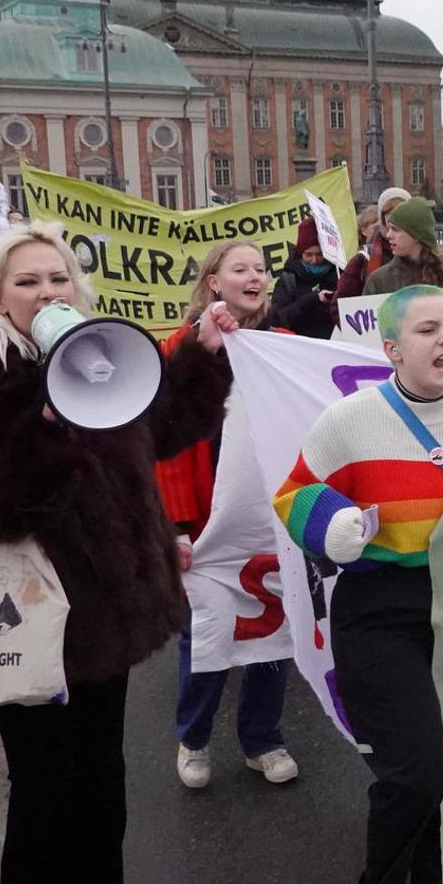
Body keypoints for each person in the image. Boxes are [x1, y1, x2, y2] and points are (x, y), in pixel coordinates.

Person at [0, 223, 236, 884]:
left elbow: (164, 428)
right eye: (28, 282)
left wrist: (198, 357)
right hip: (22, 621)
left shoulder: (101, 353)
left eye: (58, 279)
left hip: (108, 613)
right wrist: (51, 421)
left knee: (101, 780)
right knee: (40, 786)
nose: (48, 293)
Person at [273, 285, 443, 884]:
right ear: (392, 350)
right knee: (416, 768)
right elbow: (293, 494)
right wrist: (332, 525)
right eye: (428, 329)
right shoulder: (351, 419)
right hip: (381, 607)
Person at [157, 240, 298, 790]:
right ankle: (193, 738)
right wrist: (173, 525)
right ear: (213, 282)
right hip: (204, 523)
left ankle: (262, 740)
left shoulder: (280, 346)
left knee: (273, 631)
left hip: (267, 519)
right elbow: (163, 445)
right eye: (241, 268)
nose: (255, 276)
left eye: (261, 269)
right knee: (206, 637)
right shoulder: (178, 348)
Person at [363, 198, 443, 294]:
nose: (389, 235)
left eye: (396, 229)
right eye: (389, 229)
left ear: (416, 235)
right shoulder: (379, 281)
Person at [336, 187, 409, 301]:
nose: (394, 217)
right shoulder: (362, 259)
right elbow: (340, 305)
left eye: (400, 211)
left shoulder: (431, 260)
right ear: (382, 217)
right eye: (388, 212)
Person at [270, 217, 339, 338]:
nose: (314, 260)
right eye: (309, 255)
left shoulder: (340, 274)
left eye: (319, 254)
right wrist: (313, 299)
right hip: (300, 347)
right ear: (300, 253)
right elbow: (279, 319)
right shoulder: (288, 279)